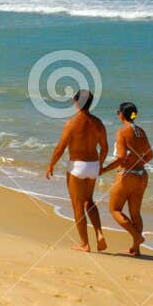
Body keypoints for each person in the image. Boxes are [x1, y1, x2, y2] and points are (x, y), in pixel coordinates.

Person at [45, 88, 108, 252]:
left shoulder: (71, 123)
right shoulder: (98, 123)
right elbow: (105, 148)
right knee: (90, 201)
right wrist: (100, 165)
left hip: (77, 166)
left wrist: (51, 164)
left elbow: (60, 148)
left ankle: (84, 243)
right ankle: (99, 233)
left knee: (78, 205)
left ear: (76, 103)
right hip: (93, 165)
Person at [101, 101, 153, 256]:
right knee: (135, 213)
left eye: (118, 111)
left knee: (114, 209)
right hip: (142, 175)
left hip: (126, 175)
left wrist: (104, 169)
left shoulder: (122, 132)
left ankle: (137, 237)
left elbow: (122, 158)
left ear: (121, 114)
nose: (117, 114)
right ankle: (135, 248)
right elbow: (150, 155)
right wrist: (138, 163)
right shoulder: (141, 131)